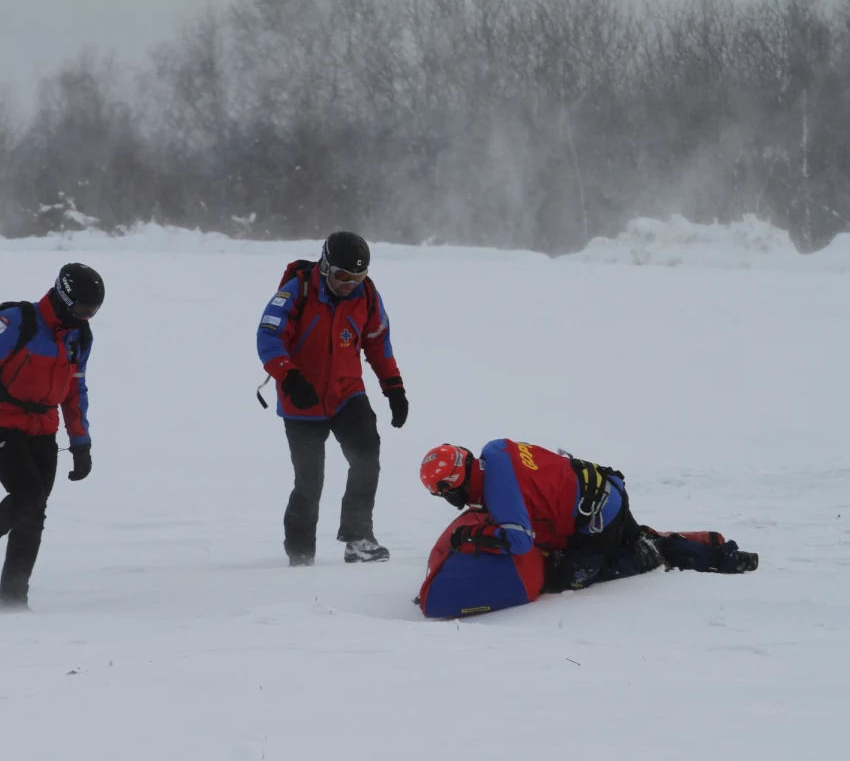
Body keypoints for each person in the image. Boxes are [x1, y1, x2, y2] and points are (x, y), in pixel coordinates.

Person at [415, 440, 758, 618]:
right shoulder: (495, 450)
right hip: (603, 492)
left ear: (451, 485)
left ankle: (654, 554)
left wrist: (476, 535)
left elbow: (518, 542)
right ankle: (702, 546)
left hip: (597, 520)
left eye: (439, 491)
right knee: (632, 537)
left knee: (564, 577)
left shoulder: (499, 493)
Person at [0, 262, 103, 610]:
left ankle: (13, 599)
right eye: (81, 310)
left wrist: (81, 442)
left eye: (93, 312)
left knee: (35, 512)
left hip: (44, 427)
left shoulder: (79, 337)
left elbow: (76, 392)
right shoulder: (14, 322)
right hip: (1, 420)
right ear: (62, 298)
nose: (86, 317)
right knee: (27, 497)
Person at [256, 231, 409, 566]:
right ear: (325, 265)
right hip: (302, 400)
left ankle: (358, 540)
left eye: (358, 277)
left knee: (366, 458)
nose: (349, 284)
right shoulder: (297, 290)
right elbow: (268, 336)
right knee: (310, 482)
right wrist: (289, 375)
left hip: (346, 394)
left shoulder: (366, 296)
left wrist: (394, 389)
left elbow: (378, 345)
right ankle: (300, 554)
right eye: (341, 276)